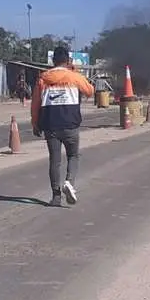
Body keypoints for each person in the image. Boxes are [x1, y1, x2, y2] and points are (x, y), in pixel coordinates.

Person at [31, 46, 95, 206]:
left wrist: (35, 123)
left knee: (55, 160)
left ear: (53, 61)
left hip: (50, 126)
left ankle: (56, 197)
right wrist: (73, 71)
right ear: (68, 60)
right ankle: (69, 182)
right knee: (73, 156)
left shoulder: (43, 79)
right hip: (71, 125)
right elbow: (90, 91)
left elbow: (35, 104)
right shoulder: (74, 77)